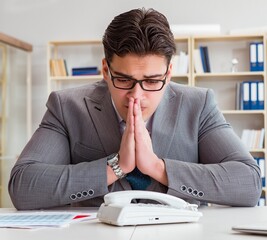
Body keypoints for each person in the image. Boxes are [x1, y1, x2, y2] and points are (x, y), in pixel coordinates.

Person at [9, 8, 261, 210]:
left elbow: (248, 183)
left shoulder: (199, 104)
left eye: (152, 81)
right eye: (124, 80)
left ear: (169, 74)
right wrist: (115, 167)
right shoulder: (67, 106)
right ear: (106, 71)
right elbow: (22, 186)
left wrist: (156, 168)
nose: (136, 96)